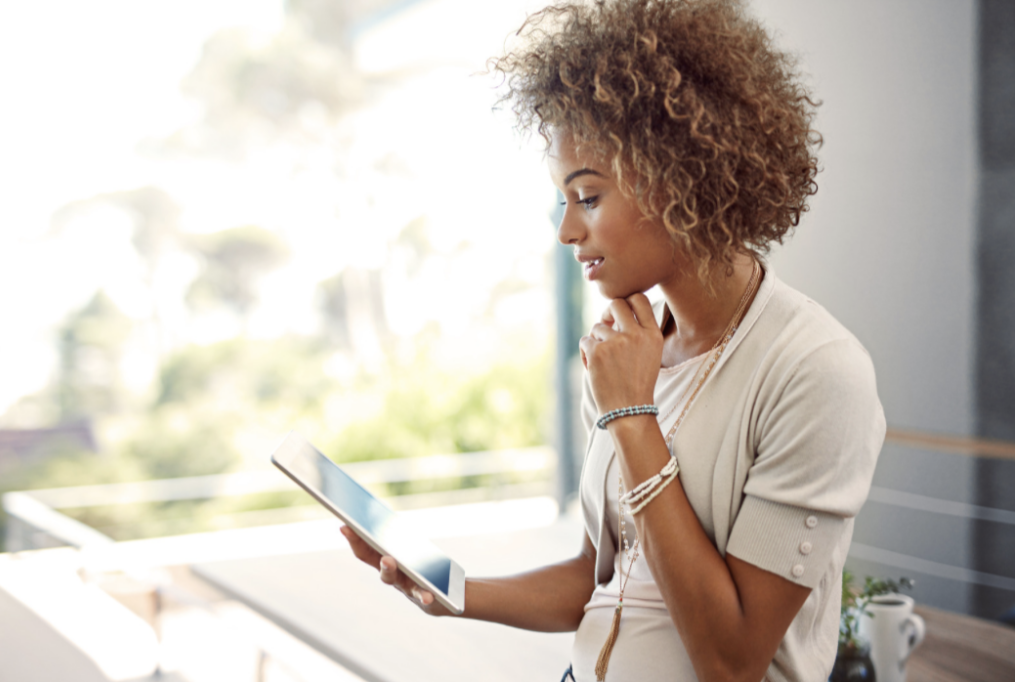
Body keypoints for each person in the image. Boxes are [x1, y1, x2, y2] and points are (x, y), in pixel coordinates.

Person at [342, 0, 886, 680]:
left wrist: (632, 415)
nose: (567, 231)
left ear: (679, 177)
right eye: (563, 201)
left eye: (589, 197)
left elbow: (732, 658)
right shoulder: (623, 352)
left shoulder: (816, 371)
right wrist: (455, 594)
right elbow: (602, 576)